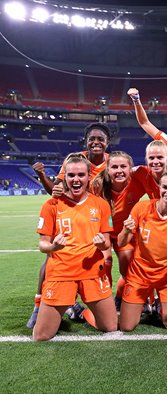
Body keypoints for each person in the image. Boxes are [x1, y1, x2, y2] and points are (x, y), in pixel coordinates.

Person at [27, 123, 112, 329]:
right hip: (71, 211)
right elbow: (56, 188)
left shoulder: (112, 162)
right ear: (86, 141)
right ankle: (39, 304)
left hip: (100, 213)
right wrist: (43, 177)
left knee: (106, 258)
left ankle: (101, 300)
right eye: (92, 138)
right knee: (54, 257)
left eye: (100, 139)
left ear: (107, 142)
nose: (96, 142)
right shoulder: (75, 160)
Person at [117, 171, 167, 331]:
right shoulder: (141, 208)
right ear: (159, 187)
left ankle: (161, 304)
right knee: (126, 327)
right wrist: (126, 230)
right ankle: (149, 303)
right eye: (164, 187)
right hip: (139, 274)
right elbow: (121, 242)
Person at [92, 151, 146, 309]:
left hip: (126, 232)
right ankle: (105, 298)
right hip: (104, 230)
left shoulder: (137, 182)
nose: (119, 170)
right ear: (107, 169)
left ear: (131, 169)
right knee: (106, 261)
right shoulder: (97, 185)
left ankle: (120, 297)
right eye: (114, 167)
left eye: (123, 166)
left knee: (129, 268)